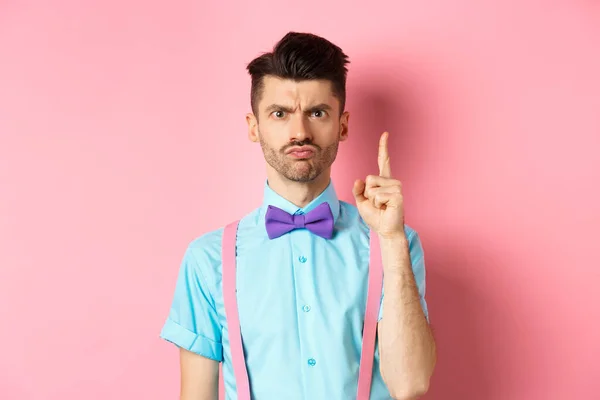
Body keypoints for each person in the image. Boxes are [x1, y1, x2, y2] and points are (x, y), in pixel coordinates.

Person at [159, 31, 436, 400]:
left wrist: (391, 241)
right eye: (280, 114)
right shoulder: (208, 259)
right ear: (254, 127)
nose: (300, 132)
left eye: (317, 113)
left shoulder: (395, 245)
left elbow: (411, 384)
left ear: (343, 124)